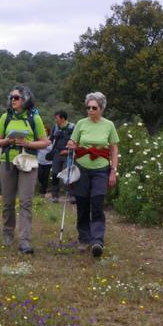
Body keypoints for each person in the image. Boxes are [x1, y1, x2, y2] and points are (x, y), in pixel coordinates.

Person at [0, 85, 50, 254]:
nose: (13, 100)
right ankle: (8, 234)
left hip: (28, 162)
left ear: (25, 99)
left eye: (16, 98)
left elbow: (45, 142)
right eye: (11, 97)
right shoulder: (6, 117)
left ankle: (25, 240)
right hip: (8, 162)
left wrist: (28, 144)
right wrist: (8, 141)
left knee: (26, 202)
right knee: (7, 202)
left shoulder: (35, 118)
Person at [67, 92, 119, 258]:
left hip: (101, 169)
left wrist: (113, 171)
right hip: (82, 168)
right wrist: (71, 144)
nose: (90, 110)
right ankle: (84, 238)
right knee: (82, 204)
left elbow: (114, 149)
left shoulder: (109, 125)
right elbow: (73, 142)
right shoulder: (81, 124)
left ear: (101, 108)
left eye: (94, 108)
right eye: (88, 107)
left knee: (97, 202)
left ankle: (97, 241)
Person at [49, 111, 75, 203]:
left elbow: (76, 141)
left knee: (68, 174)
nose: (55, 120)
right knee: (55, 174)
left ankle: (72, 195)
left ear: (63, 118)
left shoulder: (72, 127)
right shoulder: (55, 128)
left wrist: (68, 151)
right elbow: (51, 140)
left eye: (57, 118)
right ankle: (55, 196)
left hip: (68, 154)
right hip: (57, 154)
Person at [37, 124, 53, 197]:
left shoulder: (51, 139)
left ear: (48, 131)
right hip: (39, 160)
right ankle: (42, 186)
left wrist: (44, 145)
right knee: (40, 175)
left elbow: (51, 148)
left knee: (46, 176)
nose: (44, 131)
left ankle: (43, 191)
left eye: (45, 130)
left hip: (48, 161)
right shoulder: (39, 139)